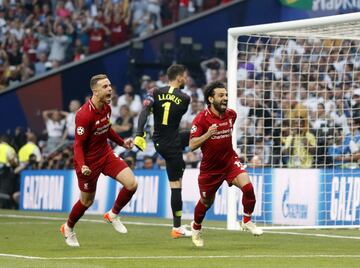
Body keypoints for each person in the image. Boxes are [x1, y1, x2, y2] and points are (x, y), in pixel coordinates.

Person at [60, 74, 138, 247]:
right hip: (88, 162)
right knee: (86, 201)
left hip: (106, 155)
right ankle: (68, 227)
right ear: (95, 91)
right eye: (105, 87)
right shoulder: (84, 115)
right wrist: (83, 165)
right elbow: (78, 145)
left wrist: (122, 142)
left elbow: (107, 128)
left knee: (132, 184)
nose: (110, 89)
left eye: (110, 85)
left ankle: (113, 214)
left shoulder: (106, 107)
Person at [188, 81, 263, 247]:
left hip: (229, 162)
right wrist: (208, 134)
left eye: (226, 95)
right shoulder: (201, 119)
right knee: (206, 202)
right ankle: (196, 227)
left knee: (248, 188)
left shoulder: (231, 115)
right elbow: (192, 145)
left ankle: (247, 220)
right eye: (221, 95)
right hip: (210, 169)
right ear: (210, 98)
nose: (225, 98)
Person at [134, 64, 192, 238]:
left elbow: (145, 111)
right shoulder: (185, 98)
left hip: (160, 140)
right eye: (185, 76)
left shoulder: (154, 92)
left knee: (195, 135)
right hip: (172, 144)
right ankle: (177, 228)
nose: (186, 79)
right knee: (176, 185)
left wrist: (139, 134)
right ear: (180, 77)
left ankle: (184, 163)